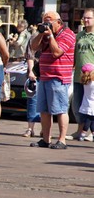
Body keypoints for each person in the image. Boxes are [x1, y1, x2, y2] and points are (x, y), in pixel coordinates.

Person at [29, 11, 75, 149]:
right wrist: (42, 33)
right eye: (44, 21)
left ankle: (62, 140)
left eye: (49, 21)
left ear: (59, 22)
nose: (46, 24)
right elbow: (33, 47)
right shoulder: (46, 34)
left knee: (60, 109)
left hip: (58, 77)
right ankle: (45, 139)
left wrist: (50, 36)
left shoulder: (68, 34)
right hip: (44, 76)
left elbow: (56, 52)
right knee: (44, 110)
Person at [66, 8, 94, 142]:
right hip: (78, 76)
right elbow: (74, 55)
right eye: (84, 17)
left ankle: (91, 132)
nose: (85, 20)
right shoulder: (79, 35)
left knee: (91, 105)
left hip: (92, 77)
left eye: (88, 18)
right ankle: (80, 130)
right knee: (78, 105)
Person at [22, 30, 41, 137]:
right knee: (32, 101)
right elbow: (30, 55)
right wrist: (31, 71)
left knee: (47, 102)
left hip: (48, 72)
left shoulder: (54, 37)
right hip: (35, 71)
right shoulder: (35, 36)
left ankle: (45, 129)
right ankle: (30, 129)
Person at [78, 63, 94, 141]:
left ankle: (92, 134)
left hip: (86, 104)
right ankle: (83, 133)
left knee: (91, 120)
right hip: (92, 105)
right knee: (89, 121)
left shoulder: (86, 82)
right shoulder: (92, 83)